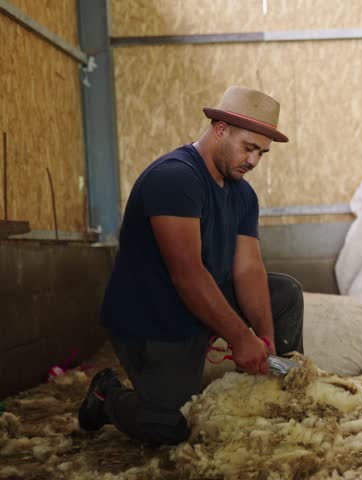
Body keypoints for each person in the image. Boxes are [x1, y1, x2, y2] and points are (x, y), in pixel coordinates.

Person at [77, 86, 304, 445]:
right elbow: (187, 274)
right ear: (219, 129)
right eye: (248, 147)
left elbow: (247, 268)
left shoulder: (242, 192)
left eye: (262, 152)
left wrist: (265, 341)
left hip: (197, 304)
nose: (254, 161)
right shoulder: (174, 179)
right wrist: (240, 337)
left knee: (285, 292)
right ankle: (107, 396)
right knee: (172, 426)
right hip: (150, 319)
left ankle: (282, 387)